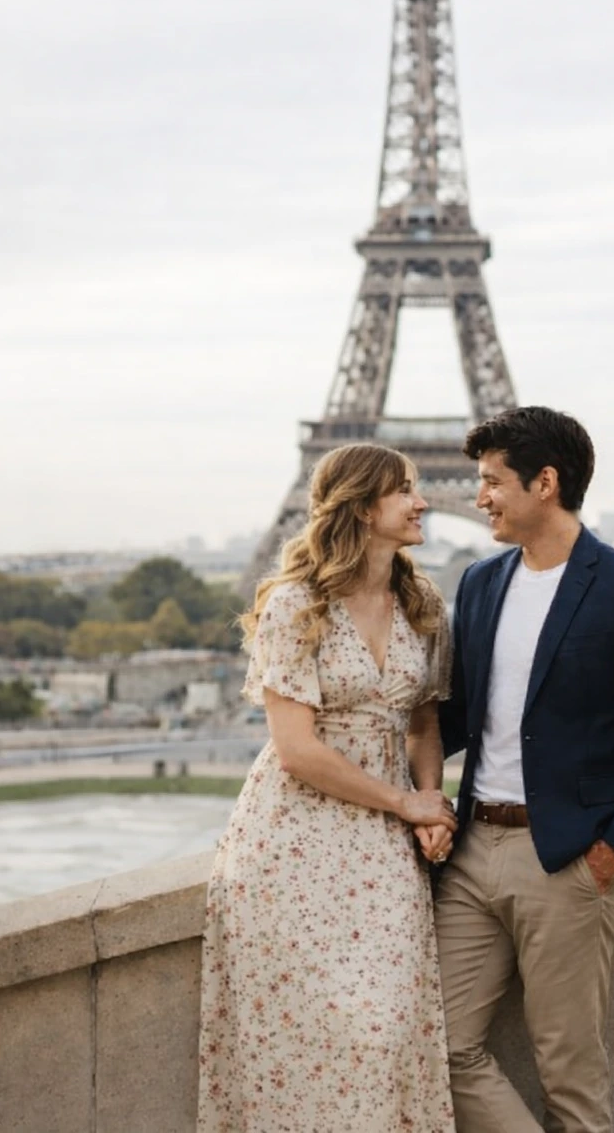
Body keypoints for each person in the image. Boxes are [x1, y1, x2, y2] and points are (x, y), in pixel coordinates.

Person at [437, 405, 614, 1133]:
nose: (480, 497)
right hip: (469, 856)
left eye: (492, 481)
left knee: (570, 1077)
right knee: (441, 1046)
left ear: (545, 482)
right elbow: (459, 716)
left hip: (564, 860)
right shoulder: (481, 583)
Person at [197, 443, 458, 1133]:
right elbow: (297, 752)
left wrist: (430, 805)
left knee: (385, 1034)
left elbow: (423, 725)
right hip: (292, 843)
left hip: (381, 848)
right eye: (405, 491)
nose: (421, 501)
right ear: (363, 506)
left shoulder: (421, 601)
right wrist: (407, 802)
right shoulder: (296, 605)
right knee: (306, 1045)